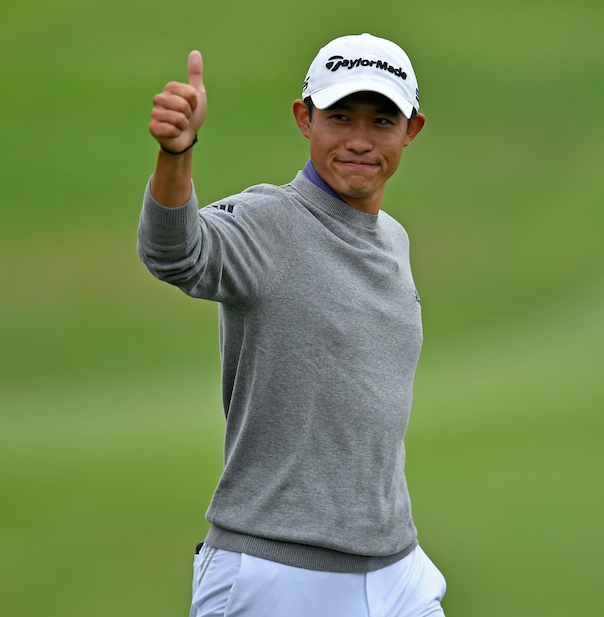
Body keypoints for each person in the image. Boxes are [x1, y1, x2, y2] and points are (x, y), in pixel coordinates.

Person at [137, 33, 446, 616]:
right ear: (305, 119)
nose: (359, 140)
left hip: (397, 571)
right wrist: (176, 153)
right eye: (340, 117)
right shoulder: (267, 223)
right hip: (276, 574)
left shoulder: (394, 240)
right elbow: (177, 254)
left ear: (411, 131)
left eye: (382, 120)